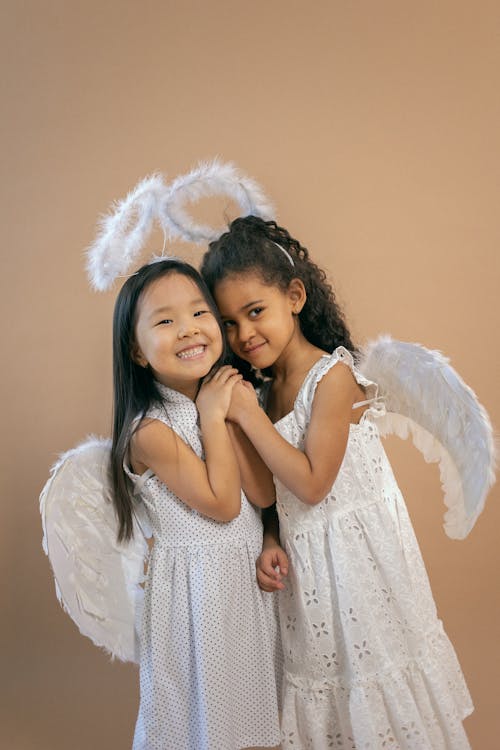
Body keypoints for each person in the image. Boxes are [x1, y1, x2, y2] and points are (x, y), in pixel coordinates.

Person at [200, 215, 473, 750]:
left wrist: (247, 417)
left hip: (360, 567)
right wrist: (272, 537)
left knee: (373, 683)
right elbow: (266, 493)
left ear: (295, 296)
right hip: (308, 575)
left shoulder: (333, 376)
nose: (244, 335)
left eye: (255, 312)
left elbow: (312, 482)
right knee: (328, 695)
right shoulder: (257, 390)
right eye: (229, 323)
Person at [110, 257, 281, 750]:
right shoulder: (148, 431)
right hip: (196, 595)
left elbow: (263, 494)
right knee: (200, 726)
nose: (187, 330)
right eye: (164, 321)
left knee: (249, 725)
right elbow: (224, 505)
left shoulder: (222, 394)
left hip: (241, 587)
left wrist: (232, 414)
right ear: (137, 352)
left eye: (198, 313)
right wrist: (213, 417)